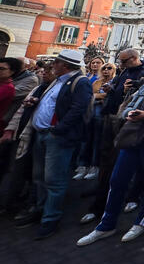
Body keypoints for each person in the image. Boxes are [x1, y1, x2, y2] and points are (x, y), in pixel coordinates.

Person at [77, 57, 144, 246]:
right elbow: (128, 107)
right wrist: (131, 114)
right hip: (133, 133)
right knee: (118, 178)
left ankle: (142, 222)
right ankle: (106, 225)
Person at [27, 49, 93, 239]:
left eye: (55, 62)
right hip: (41, 134)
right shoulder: (57, 81)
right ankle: (39, 209)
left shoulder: (80, 83)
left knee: (54, 180)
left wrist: (58, 129)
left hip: (57, 137)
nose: (52, 65)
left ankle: (51, 218)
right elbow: (55, 103)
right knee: (38, 176)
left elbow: (78, 109)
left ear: (64, 65)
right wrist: (36, 101)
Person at [82, 49, 144, 226]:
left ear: (134, 59)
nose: (120, 65)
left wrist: (131, 88)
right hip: (109, 116)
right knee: (105, 157)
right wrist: (111, 88)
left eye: (124, 61)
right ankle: (102, 190)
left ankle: (109, 200)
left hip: (122, 121)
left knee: (116, 161)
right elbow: (116, 86)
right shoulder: (124, 70)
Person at [6, 61, 56, 223]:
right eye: (44, 71)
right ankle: (21, 200)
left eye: (48, 71)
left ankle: (35, 205)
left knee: (38, 174)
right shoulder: (39, 87)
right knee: (27, 171)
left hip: (45, 135)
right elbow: (21, 109)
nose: (43, 73)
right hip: (27, 132)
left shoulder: (56, 88)